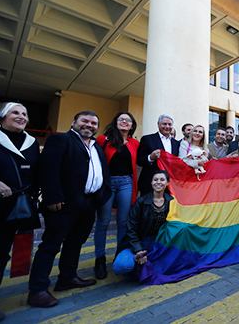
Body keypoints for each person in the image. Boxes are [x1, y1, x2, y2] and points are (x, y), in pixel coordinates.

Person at [27, 111, 112, 308]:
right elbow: (48, 170)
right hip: (63, 203)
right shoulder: (60, 140)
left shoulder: (96, 147)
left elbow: (102, 172)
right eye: (85, 121)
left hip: (89, 203)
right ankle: (38, 290)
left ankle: (67, 278)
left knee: (75, 242)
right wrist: (53, 196)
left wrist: (102, 195)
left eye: (94, 123)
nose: (89, 125)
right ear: (74, 122)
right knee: (51, 245)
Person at [0, 103, 40, 320]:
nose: (21, 116)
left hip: (17, 207)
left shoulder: (31, 143)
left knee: (1, 252)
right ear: (2, 116)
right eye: (15, 112)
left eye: (24, 113)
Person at [94, 112, 139, 280]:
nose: (125, 122)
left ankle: (120, 255)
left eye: (128, 120)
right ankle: (99, 259)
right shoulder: (102, 140)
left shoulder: (135, 143)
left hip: (126, 184)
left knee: (123, 222)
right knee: (103, 222)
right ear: (116, 122)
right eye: (121, 119)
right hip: (107, 184)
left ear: (132, 125)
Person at [113, 170, 173, 280]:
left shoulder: (172, 202)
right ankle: (139, 265)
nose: (158, 182)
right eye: (155, 180)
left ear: (168, 183)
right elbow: (130, 229)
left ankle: (144, 266)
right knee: (121, 266)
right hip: (138, 242)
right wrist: (138, 250)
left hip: (159, 244)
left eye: (162, 180)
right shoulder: (141, 202)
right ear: (151, 183)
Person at [136, 114, 180, 195]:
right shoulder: (147, 139)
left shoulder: (176, 143)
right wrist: (150, 158)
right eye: (164, 124)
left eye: (169, 124)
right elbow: (139, 160)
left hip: (169, 185)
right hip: (150, 183)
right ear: (158, 124)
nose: (167, 126)